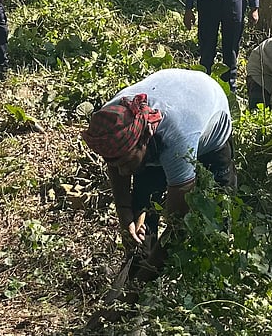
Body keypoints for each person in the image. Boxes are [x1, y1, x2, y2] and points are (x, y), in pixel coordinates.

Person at [81, 68, 237, 275]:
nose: (123, 172)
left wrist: (148, 275)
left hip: (209, 111)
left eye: (126, 162)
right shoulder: (112, 119)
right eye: (117, 163)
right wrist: (125, 213)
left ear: (144, 140)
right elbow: (115, 160)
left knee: (217, 210)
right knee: (142, 202)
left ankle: (214, 269)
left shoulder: (177, 140)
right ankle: (138, 258)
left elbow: (178, 222)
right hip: (170, 90)